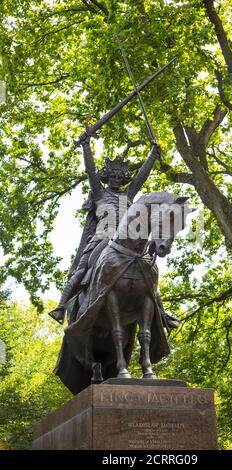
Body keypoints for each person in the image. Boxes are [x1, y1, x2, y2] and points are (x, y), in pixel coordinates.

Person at [48, 135, 179, 330]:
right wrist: (86, 146)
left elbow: (141, 177)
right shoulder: (99, 193)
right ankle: (61, 306)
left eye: (120, 175)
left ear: (125, 178)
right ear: (108, 176)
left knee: (148, 270)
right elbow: (91, 171)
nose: (117, 178)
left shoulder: (129, 195)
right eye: (113, 175)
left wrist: (152, 155)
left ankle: (161, 313)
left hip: (127, 240)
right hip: (102, 239)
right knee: (83, 269)